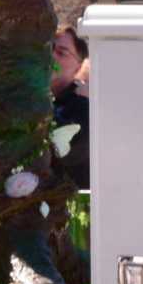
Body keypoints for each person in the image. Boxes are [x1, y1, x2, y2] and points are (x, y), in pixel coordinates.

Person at [51, 24, 91, 190]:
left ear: (78, 64)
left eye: (61, 52)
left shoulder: (81, 106)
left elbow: (62, 153)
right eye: (49, 48)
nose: (52, 56)